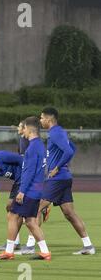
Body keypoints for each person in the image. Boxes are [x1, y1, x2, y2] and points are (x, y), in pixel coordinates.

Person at [38, 107, 95, 255]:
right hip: (64, 178)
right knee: (69, 213)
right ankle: (88, 246)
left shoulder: (56, 133)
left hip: (57, 178)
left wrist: (57, 166)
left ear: (49, 120)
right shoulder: (58, 132)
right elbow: (72, 148)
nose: (40, 120)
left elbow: (69, 151)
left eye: (42, 118)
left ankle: (31, 246)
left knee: (35, 208)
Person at [0, 116, 51, 261]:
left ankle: (9, 251)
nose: (23, 132)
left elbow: (28, 171)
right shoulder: (40, 145)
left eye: (24, 128)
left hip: (29, 190)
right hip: (37, 189)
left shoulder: (32, 148)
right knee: (30, 221)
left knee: (13, 216)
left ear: (28, 129)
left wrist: (21, 191)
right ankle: (45, 252)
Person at [0, 150, 24, 251]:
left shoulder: (0, 156)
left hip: (23, 180)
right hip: (17, 182)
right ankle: (15, 242)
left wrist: (27, 177)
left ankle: (13, 243)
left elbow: (21, 159)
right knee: (10, 208)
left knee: (15, 211)